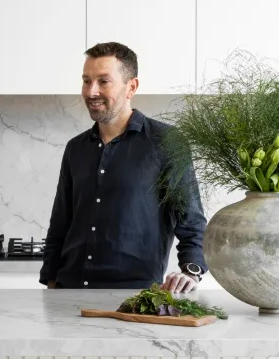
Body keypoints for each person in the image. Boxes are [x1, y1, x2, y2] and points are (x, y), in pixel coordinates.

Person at [40, 41, 207, 292]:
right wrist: (51, 282)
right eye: (86, 81)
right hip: (69, 292)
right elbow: (60, 223)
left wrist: (191, 271)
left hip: (135, 296)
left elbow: (191, 219)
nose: (91, 91)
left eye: (103, 81)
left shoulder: (167, 142)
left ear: (131, 87)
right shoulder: (76, 148)